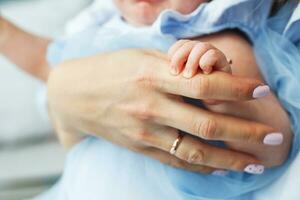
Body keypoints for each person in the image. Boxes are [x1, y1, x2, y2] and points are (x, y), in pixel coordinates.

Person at [0, 0, 298, 199]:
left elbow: (272, 146)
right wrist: (5, 34)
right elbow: (45, 63)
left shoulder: (216, 38)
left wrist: (218, 92)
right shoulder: (93, 33)